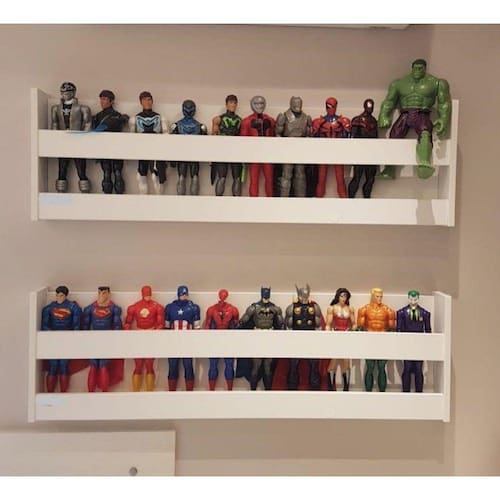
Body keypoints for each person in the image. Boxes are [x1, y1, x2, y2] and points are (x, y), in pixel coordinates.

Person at [378, 59, 452, 179]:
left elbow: (444, 102)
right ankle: (389, 169)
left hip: (422, 113)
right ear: (412, 68)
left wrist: (443, 119)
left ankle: (424, 163)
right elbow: (389, 101)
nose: (417, 70)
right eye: (415, 68)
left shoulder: (436, 82)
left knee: (425, 133)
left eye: (420, 68)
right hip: (405, 114)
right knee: (394, 135)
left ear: (425, 68)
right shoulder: (399, 83)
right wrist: (383, 116)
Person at [237, 287, 284, 390]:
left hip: (270, 337)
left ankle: (268, 391)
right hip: (257, 337)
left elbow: (281, 325)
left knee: (268, 367)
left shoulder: (275, 308)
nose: (266, 295)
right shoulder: (254, 307)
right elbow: (243, 321)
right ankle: (253, 391)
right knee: (256, 365)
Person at [51, 82, 92, 193]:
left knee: (81, 169)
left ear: (73, 93)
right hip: (63, 142)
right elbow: (54, 124)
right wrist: (55, 140)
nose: (66, 94)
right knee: (62, 169)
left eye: (68, 92)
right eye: (63, 92)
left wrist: (83, 139)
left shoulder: (83, 108)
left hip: (78, 142)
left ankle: (85, 191)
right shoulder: (55, 108)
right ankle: (60, 191)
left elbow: (87, 124)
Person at [41, 285, 82, 392]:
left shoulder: (73, 308)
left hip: (66, 340)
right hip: (53, 340)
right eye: (57, 295)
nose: (59, 297)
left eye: (61, 295)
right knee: (53, 365)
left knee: (64, 365)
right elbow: (45, 326)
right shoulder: (49, 308)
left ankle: (63, 393)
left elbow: (76, 327)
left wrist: (73, 340)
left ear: (65, 295)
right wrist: (52, 335)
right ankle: (50, 394)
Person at [82, 286, 123, 392]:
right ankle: (91, 393)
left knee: (103, 365)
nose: (101, 295)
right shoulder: (90, 308)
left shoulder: (114, 309)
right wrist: (85, 342)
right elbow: (85, 327)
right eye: (99, 293)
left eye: (104, 293)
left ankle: (104, 393)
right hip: (94, 340)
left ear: (108, 294)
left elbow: (117, 327)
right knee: (93, 366)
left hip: (107, 340)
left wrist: (116, 342)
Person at [124, 285, 164, 391]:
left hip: (151, 334)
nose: (148, 296)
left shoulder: (157, 307)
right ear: (142, 294)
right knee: (138, 364)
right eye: (146, 294)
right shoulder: (134, 307)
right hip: (138, 335)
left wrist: (155, 333)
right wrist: (129, 334)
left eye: (149, 294)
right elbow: (127, 323)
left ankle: (149, 392)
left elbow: (160, 324)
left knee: (149, 364)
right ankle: (136, 392)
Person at [283, 284, 322, 390]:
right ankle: (292, 387)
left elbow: (318, 325)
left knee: (314, 365)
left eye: (305, 296)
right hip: (296, 339)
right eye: (302, 296)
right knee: (293, 365)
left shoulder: (314, 307)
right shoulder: (292, 308)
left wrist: (317, 340)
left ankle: (315, 387)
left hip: (311, 339)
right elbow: (288, 326)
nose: (304, 298)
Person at [357, 288, 396, 392]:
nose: (379, 298)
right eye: (377, 296)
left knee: (381, 367)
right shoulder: (364, 310)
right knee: (370, 367)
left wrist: (388, 342)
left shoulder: (388, 311)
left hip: (383, 341)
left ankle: (382, 393)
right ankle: (368, 393)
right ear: (372, 296)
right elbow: (359, 328)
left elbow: (392, 329)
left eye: (381, 296)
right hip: (369, 341)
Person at [311, 97, 351, 198]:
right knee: (321, 178)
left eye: (333, 106)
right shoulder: (319, 121)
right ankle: (318, 202)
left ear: (336, 106)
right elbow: (314, 138)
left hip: (337, 152)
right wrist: (317, 128)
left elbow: (346, 138)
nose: (331, 108)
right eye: (329, 106)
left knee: (340, 179)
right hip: (324, 152)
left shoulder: (343, 121)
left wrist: (344, 127)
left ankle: (344, 202)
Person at [92, 90, 129, 194]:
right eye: (101, 99)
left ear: (111, 101)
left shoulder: (117, 115)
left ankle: (119, 195)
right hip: (103, 147)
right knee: (106, 173)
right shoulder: (97, 116)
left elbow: (118, 123)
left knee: (118, 172)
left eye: (105, 99)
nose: (102, 102)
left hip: (116, 147)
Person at [130, 91, 168, 194]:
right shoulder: (135, 119)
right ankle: (144, 199)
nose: (147, 102)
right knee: (141, 176)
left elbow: (166, 135)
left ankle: (158, 199)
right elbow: (131, 138)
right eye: (144, 100)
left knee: (155, 176)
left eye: (149, 99)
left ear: (152, 101)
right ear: (140, 102)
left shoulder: (160, 118)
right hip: (142, 150)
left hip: (156, 150)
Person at [165, 286, 201, 391]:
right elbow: (166, 327)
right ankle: (171, 392)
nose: (184, 296)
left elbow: (197, 327)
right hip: (173, 342)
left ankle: (189, 392)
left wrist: (195, 343)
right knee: (172, 366)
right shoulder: (170, 307)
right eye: (182, 294)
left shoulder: (193, 307)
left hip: (188, 342)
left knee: (188, 366)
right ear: (178, 294)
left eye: (185, 294)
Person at [276, 96, 312, 197]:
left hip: (301, 149)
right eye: (296, 104)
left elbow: (309, 135)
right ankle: (283, 199)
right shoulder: (283, 117)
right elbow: (278, 134)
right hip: (287, 148)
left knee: (300, 176)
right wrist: (281, 149)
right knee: (286, 175)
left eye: (299, 104)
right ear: (291, 104)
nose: (298, 106)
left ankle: (301, 200)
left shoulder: (306, 118)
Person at [204, 289, 240, 390]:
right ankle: (211, 390)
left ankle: (229, 390)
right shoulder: (211, 309)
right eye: (221, 295)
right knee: (213, 365)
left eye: (224, 295)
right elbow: (207, 326)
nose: (223, 297)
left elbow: (236, 326)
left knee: (229, 365)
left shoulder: (233, 310)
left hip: (228, 341)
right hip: (214, 341)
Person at [396, 290, 432, 392]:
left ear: (418, 299)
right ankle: (406, 392)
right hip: (407, 344)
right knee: (407, 368)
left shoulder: (425, 313)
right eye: (411, 299)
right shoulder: (401, 313)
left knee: (418, 368)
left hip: (419, 345)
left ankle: (419, 392)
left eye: (415, 299)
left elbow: (428, 330)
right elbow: (398, 330)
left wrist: (428, 346)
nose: (413, 301)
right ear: (408, 298)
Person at [240, 96, 276, 197]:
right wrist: (245, 156)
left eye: (261, 103)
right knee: (254, 179)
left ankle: (270, 200)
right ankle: (253, 202)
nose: (259, 106)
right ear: (252, 104)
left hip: (267, 154)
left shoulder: (270, 120)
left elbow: (274, 137)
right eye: (256, 103)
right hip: (254, 154)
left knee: (269, 179)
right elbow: (243, 141)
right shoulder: (246, 121)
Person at [170, 100, 207, 195]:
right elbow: (172, 144)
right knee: (184, 178)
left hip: (194, 155)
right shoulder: (177, 126)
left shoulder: (200, 126)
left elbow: (205, 145)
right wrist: (172, 159)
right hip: (182, 155)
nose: (189, 111)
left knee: (193, 178)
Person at [210, 95, 243, 196]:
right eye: (231, 102)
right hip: (222, 150)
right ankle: (218, 199)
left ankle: (236, 200)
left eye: (235, 103)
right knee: (222, 177)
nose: (233, 105)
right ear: (226, 104)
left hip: (235, 150)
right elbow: (214, 136)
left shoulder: (240, 120)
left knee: (237, 178)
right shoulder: (218, 119)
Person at [325, 288, 355, 391]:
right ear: (338, 296)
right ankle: (330, 387)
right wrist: (328, 334)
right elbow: (328, 324)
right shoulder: (332, 308)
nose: (343, 298)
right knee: (334, 360)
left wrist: (353, 330)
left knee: (346, 360)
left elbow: (353, 323)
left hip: (346, 335)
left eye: (345, 296)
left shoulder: (350, 309)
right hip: (336, 335)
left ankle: (346, 388)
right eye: (342, 296)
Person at [348, 99, 379, 199]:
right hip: (360, 153)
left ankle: (367, 199)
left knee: (370, 179)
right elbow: (352, 137)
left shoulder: (373, 121)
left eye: (371, 106)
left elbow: (376, 137)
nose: (370, 108)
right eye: (368, 105)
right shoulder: (357, 120)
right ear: (365, 106)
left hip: (371, 153)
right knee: (357, 178)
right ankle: (350, 199)